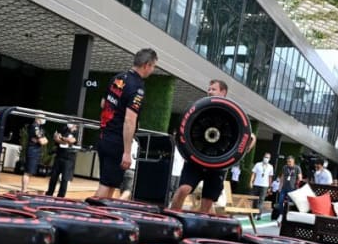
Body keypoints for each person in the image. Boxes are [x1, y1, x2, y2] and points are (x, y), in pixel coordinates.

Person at [93, 48, 158, 198]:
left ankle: (98, 218)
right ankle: (85, 216)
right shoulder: (137, 88)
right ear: (146, 65)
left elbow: (103, 103)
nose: (153, 70)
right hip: (116, 141)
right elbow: (130, 120)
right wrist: (127, 152)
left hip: (104, 136)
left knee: (109, 185)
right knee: (106, 186)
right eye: (153, 66)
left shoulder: (118, 78)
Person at [170, 79, 232, 213]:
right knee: (183, 189)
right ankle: (171, 218)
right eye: (209, 89)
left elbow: (248, 136)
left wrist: (247, 145)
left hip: (217, 163)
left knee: (207, 201)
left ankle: (200, 228)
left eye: (213, 89)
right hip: (196, 159)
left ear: (223, 92)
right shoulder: (200, 108)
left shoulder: (231, 112)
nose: (209, 92)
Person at [45, 123, 78, 197]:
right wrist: (64, 140)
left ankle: (61, 196)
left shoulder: (77, 132)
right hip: (59, 155)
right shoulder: (64, 129)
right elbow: (56, 138)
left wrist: (62, 138)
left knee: (64, 179)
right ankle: (49, 193)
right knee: (53, 176)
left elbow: (71, 141)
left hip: (68, 158)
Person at [22, 113, 48, 192]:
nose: (44, 119)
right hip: (32, 151)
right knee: (27, 172)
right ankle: (23, 190)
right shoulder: (35, 127)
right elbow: (43, 141)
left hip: (35, 151)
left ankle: (24, 190)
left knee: (30, 172)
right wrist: (41, 140)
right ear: (37, 118)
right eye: (42, 117)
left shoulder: (39, 127)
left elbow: (45, 140)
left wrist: (42, 140)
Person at [250, 153, 274, 220]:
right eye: (266, 157)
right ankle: (253, 214)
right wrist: (251, 182)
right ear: (263, 157)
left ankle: (259, 214)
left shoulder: (270, 167)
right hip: (256, 184)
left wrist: (270, 186)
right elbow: (253, 174)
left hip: (264, 185)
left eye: (268, 158)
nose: (266, 158)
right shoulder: (258, 164)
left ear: (269, 159)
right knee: (255, 200)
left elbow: (270, 177)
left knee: (261, 200)